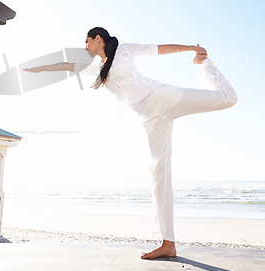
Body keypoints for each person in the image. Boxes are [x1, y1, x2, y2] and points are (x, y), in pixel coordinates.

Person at [24, 27, 237, 259]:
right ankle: (168, 243)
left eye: (87, 41)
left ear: (98, 39)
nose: (85, 46)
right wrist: (39, 69)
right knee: (159, 174)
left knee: (228, 99)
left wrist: (193, 50)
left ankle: (205, 65)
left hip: (165, 98)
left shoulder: (124, 51)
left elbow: (159, 49)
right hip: (151, 119)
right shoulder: (97, 67)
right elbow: (67, 66)